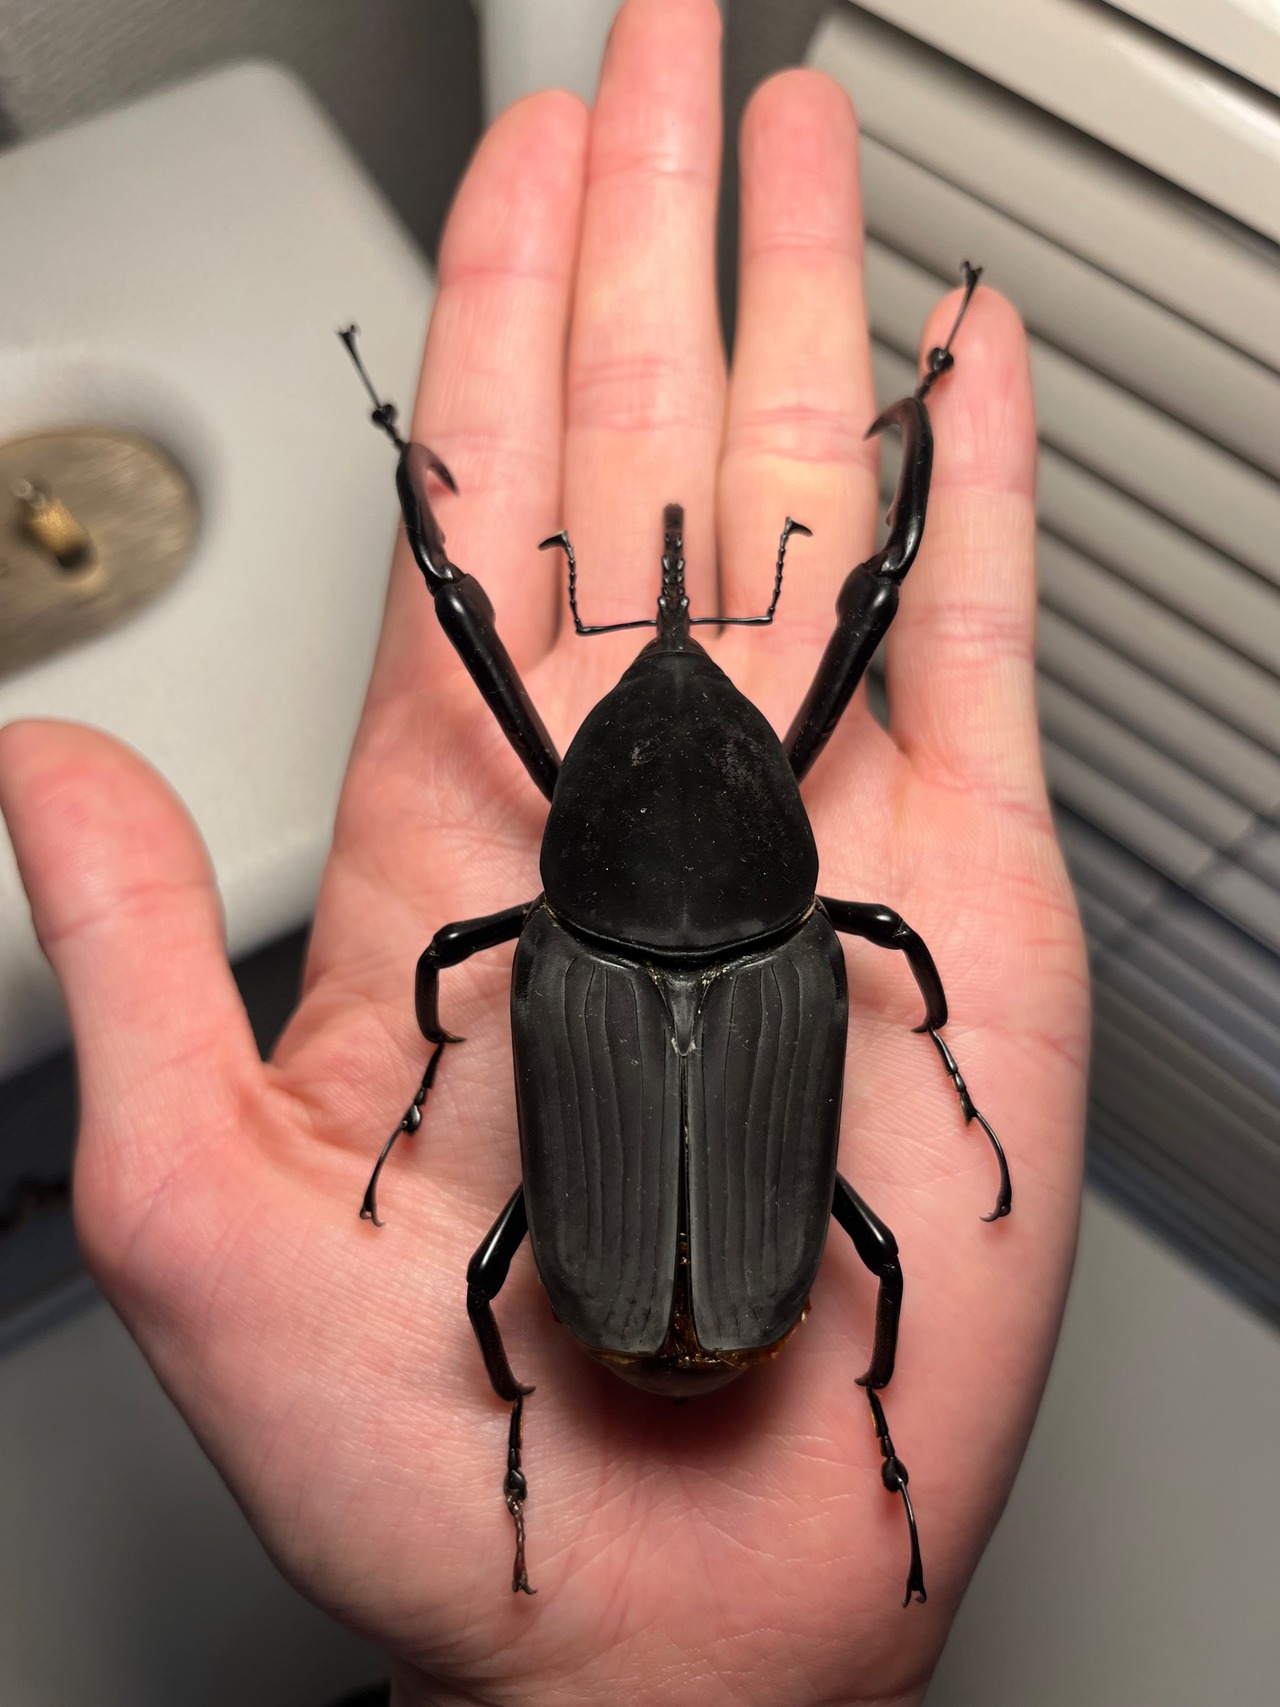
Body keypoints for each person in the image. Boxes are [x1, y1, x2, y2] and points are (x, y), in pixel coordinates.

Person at [0, 2, 1088, 1701]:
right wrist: (936, 1045)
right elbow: (874, 609)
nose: (679, 650)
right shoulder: (831, 930)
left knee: (500, 1253)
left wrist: (408, 462)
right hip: (744, 1297)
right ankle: (867, 1414)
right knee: (881, 1247)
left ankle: (541, 1432)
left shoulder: (522, 938)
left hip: (607, 1306)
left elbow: (464, 678)